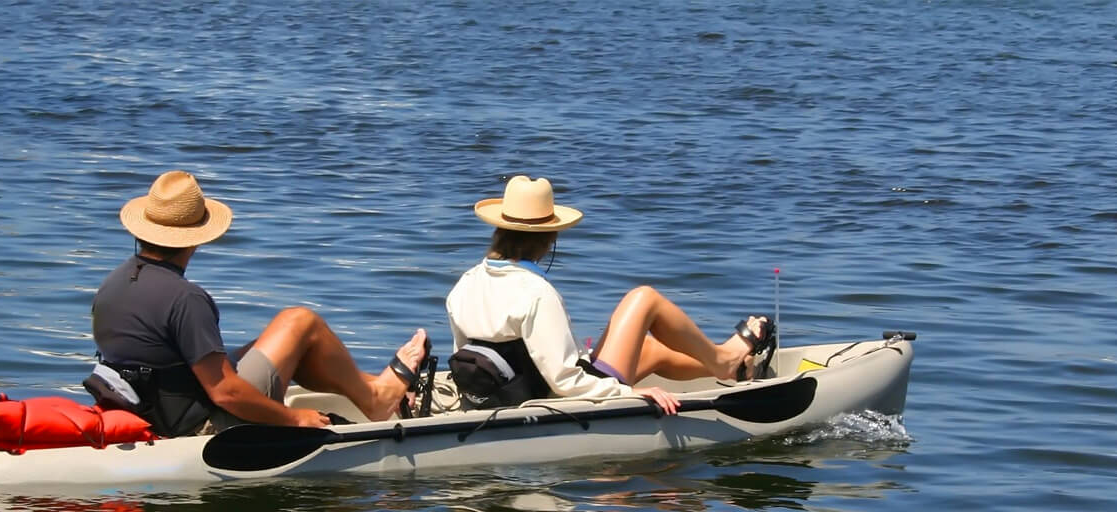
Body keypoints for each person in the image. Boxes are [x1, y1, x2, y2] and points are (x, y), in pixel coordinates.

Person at [90, 170, 428, 436]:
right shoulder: (185, 298)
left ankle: (373, 388)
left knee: (284, 344)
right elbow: (225, 393)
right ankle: (376, 399)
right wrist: (295, 418)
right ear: (194, 240)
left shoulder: (112, 284)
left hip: (154, 409)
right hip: (200, 425)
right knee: (300, 322)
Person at [445, 175, 771, 415]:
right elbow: (564, 381)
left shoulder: (465, 284)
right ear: (549, 238)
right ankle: (724, 360)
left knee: (652, 350)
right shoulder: (536, 293)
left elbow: (468, 353)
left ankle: (733, 371)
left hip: (503, 394)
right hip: (553, 399)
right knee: (644, 298)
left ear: (499, 230)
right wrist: (630, 394)